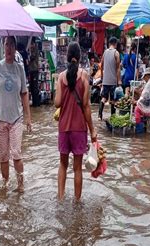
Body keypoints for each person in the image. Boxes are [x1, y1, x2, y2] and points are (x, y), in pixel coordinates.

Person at [0, 36, 32, 192]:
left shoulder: (19, 68)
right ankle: (5, 184)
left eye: (12, 45)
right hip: (0, 117)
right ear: (3, 48)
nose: (9, 48)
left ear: (15, 48)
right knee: (3, 156)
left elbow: (24, 93)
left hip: (16, 118)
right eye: (7, 45)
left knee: (16, 153)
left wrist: (28, 118)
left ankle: (20, 185)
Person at [55, 42, 97, 201]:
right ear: (80, 58)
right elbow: (86, 106)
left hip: (64, 128)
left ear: (66, 57)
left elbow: (57, 103)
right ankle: (77, 202)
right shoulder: (84, 76)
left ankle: (60, 198)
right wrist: (92, 130)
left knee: (63, 164)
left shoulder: (60, 77)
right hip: (79, 128)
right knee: (77, 168)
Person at [99, 37, 121, 120]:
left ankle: (99, 116)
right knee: (113, 99)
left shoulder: (105, 52)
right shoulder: (116, 53)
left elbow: (101, 66)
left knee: (104, 98)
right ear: (115, 44)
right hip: (113, 80)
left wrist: (102, 77)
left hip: (105, 80)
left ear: (109, 43)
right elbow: (118, 68)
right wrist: (119, 80)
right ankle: (113, 117)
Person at [29, 38, 40, 107]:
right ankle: (34, 102)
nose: (30, 46)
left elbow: (32, 57)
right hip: (31, 70)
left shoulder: (35, 49)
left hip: (34, 70)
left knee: (35, 87)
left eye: (31, 44)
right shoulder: (33, 49)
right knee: (32, 87)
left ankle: (36, 103)